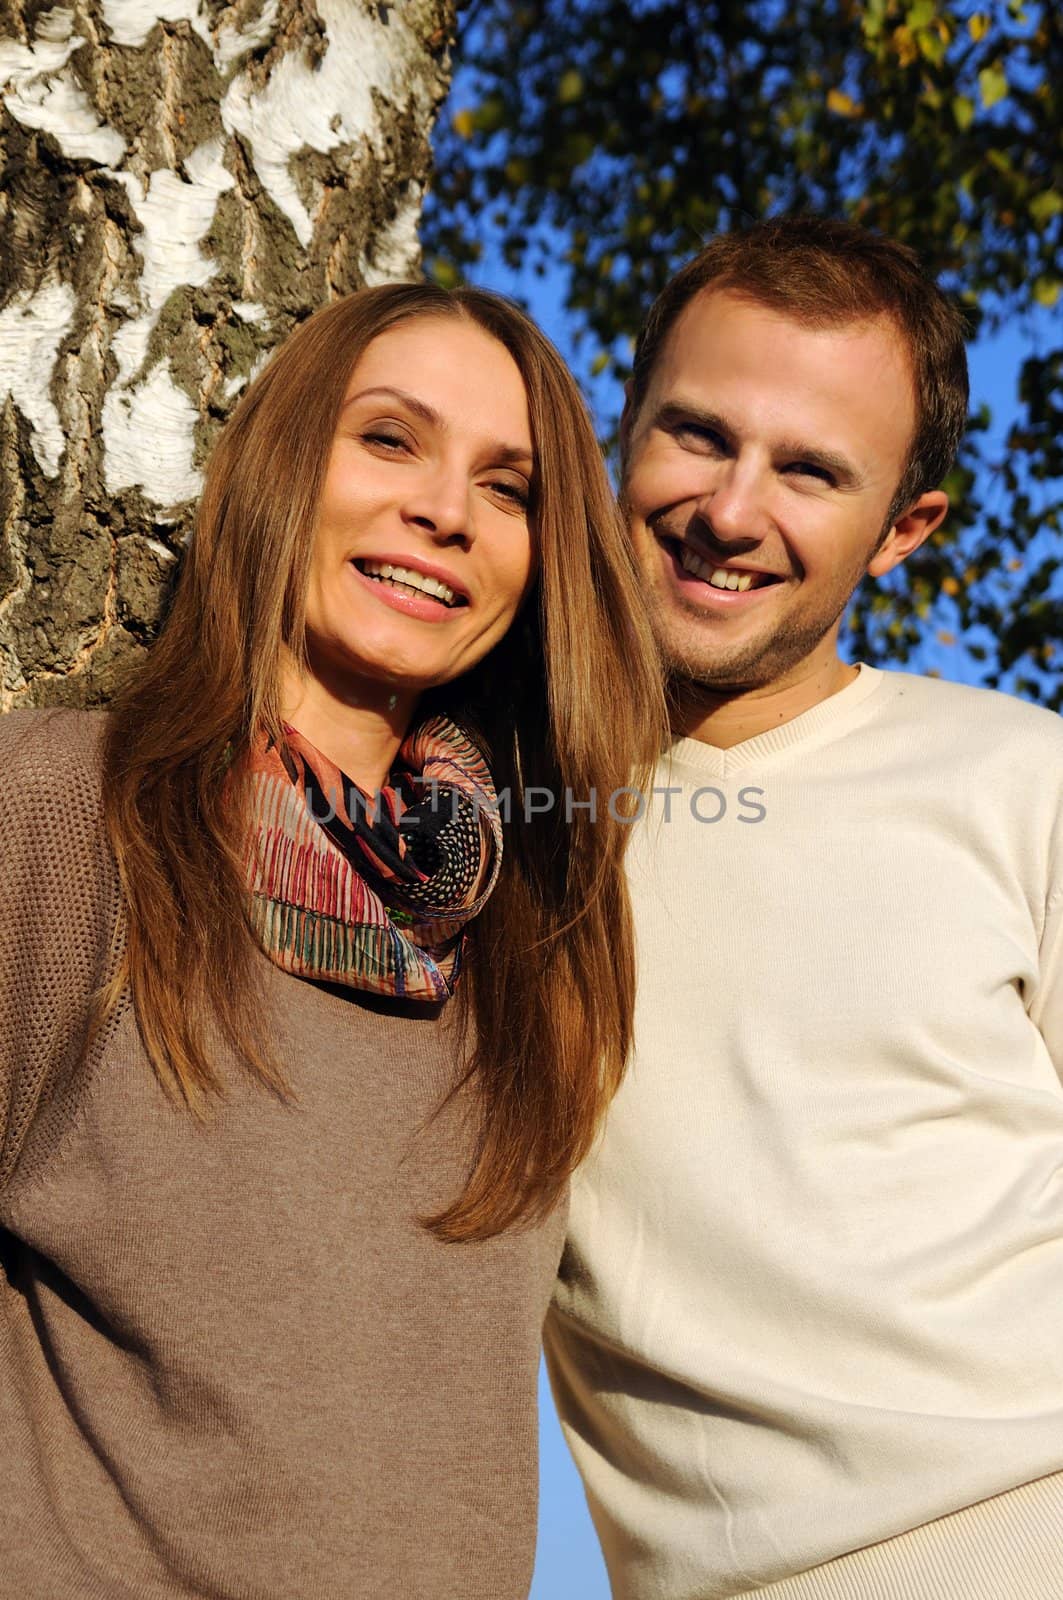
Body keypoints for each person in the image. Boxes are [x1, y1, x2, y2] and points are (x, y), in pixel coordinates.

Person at [0, 283, 664, 1598]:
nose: (446, 511)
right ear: (285, 464)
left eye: (510, 486)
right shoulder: (73, 812)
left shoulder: (543, 929)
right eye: (390, 439)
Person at [544, 217, 1063, 1600]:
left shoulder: (1027, 784)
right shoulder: (485, 826)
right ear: (624, 431)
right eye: (699, 434)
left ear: (905, 530)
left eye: (812, 471)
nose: (731, 510)